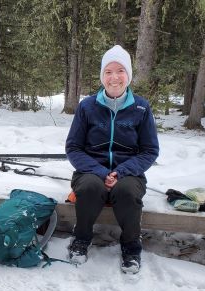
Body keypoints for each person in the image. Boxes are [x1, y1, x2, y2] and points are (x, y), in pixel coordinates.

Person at [65, 45, 159, 274]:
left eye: (120, 71)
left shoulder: (141, 107)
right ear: (102, 76)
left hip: (129, 173)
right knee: (88, 187)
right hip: (90, 171)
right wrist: (99, 171)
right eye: (108, 72)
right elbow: (73, 147)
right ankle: (81, 239)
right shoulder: (87, 106)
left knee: (126, 192)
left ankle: (131, 247)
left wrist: (122, 171)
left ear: (128, 75)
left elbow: (149, 150)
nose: (114, 77)